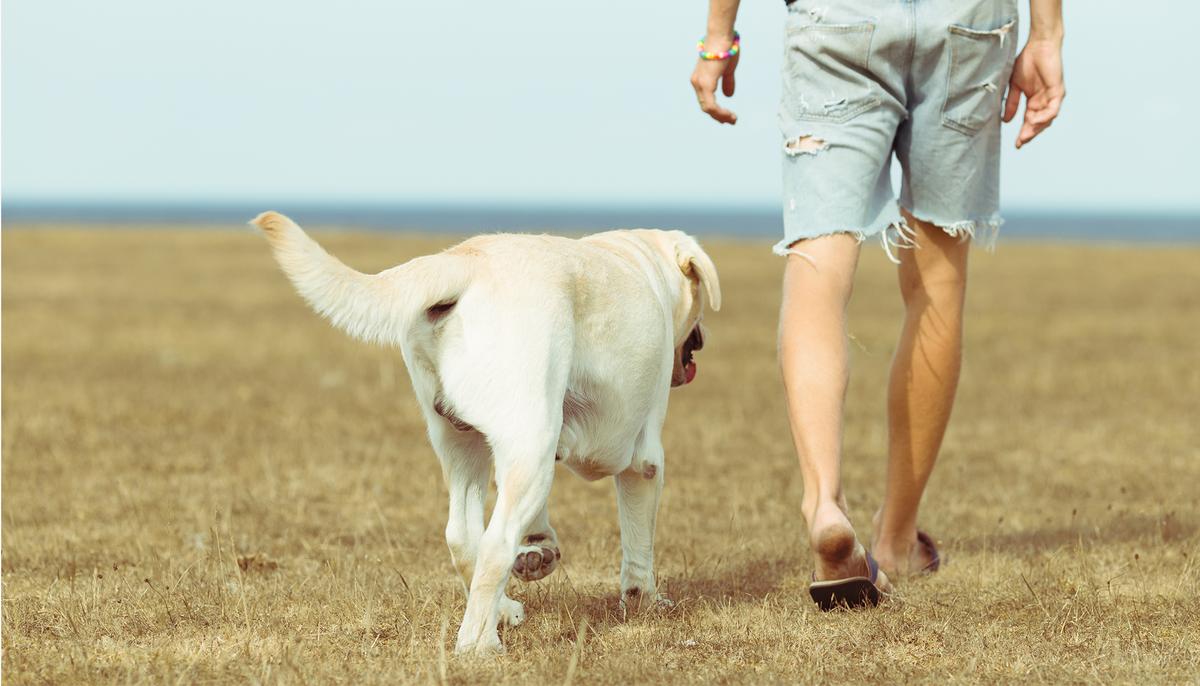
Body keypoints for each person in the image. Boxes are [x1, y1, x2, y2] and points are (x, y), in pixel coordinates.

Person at [690, 0, 1064, 608]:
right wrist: (1047, 35)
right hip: (967, 22)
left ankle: (824, 503)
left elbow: (721, 33)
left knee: (818, 270)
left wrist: (717, 37)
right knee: (937, 286)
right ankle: (896, 539)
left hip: (837, 20)